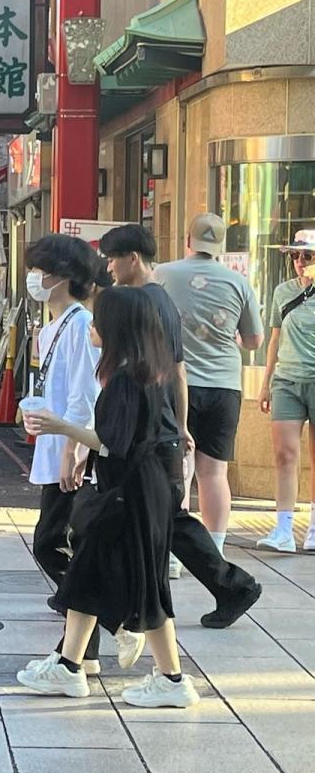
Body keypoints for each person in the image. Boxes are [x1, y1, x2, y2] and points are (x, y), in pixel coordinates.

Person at [19, 287, 200, 708]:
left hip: (130, 495)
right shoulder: (147, 373)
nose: (92, 327)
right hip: (139, 491)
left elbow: (111, 443)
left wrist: (60, 427)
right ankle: (71, 667)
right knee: (89, 577)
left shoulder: (125, 380)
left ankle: (170, 679)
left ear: (117, 329)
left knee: (141, 586)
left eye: (99, 321)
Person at [101, 224, 262, 627]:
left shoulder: (150, 300)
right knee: (167, 516)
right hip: (163, 423)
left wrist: (179, 426)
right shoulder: (158, 299)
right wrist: (181, 425)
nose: (109, 267)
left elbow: (174, 370)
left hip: (152, 426)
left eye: (113, 259)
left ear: (132, 259)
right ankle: (224, 587)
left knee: (163, 516)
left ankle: (222, 588)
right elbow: (178, 370)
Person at [154, 214, 264, 559]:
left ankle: (174, 554)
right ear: (220, 245)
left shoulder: (163, 274)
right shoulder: (238, 282)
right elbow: (254, 340)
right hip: (224, 386)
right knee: (214, 472)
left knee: (178, 469)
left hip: (175, 384)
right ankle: (214, 552)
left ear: (188, 240)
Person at [23, 234, 110, 669]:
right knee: (59, 543)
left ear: (60, 276)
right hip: (55, 445)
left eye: (38, 270)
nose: (33, 278)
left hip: (72, 452)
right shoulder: (51, 327)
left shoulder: (80, 324)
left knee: (51, 543)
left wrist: (72, 450)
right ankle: (87, 644)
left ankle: (109, 618)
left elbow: (84, 393)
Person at [257, 228, 315, 552]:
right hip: (286, 381)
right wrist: (266, 382)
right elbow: (274, 339)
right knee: (284, 454)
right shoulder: (283, 291)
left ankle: (314, 528)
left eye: (307, 255)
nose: (300, 261)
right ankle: (283, 530)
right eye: (295, 255)